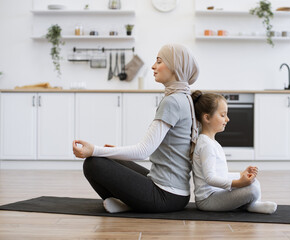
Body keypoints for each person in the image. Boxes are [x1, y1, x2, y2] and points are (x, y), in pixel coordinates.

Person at [72, 44, 199, 213]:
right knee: (112, 158)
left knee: (93, 163)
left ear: (175, 66)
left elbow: (143, 151)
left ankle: (127, 203)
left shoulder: (172, 101)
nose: (153, 66)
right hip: (177, 194)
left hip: (165, 196)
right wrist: (113, 151)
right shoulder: (184, 96)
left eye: (159, 61)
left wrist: (93, 150)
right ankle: (125, 203)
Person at [191, 90, 277, 213]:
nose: (227, 119)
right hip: (207, 200)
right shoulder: (206, 145)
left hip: (217, 194)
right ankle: (250, 205)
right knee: (252, 190)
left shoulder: (212, 143)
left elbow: (220, 174)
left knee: (254, 183)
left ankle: (251, 204)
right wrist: (237, 183)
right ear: (207, 117)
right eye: (222, 115)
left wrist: (241, 175)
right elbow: (210, 178)